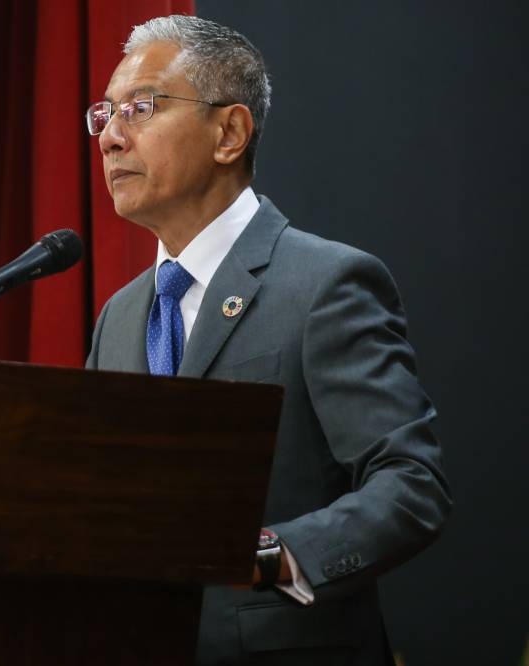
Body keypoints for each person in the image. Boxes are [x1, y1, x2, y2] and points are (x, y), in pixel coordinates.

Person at [84, 15, 451, 665]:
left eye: (139, 108)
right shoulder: (120, 315)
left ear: (228, 133)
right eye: (103, 115)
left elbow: (411, 485)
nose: (111, 137)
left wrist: (274, 557)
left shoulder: (325, 284)